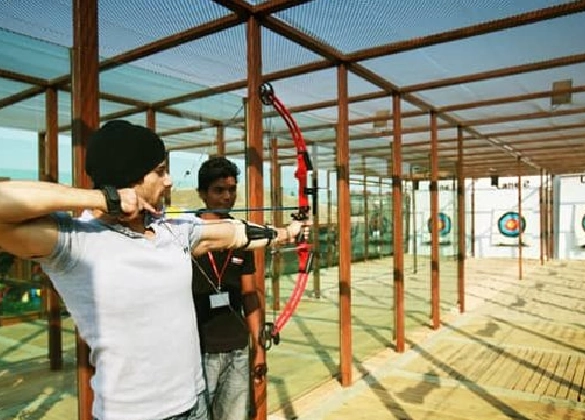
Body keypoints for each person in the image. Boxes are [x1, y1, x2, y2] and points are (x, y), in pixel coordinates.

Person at [0, 120, 301, 420]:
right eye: (159, 171)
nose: (168, 180)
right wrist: (101, 199)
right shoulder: (74, 241)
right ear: (128, 179)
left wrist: (287, 233)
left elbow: (234, 232)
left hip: (192, 402)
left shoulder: (172, 230)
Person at [192, 157, 263, 420]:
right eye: (218, 190)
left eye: (232, 189)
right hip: (198, 350)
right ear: (202, 194)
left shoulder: (242, 234)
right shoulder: (188, 234)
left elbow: (249, 295)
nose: (227, 196)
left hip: (237, 348)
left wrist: (258, 347)